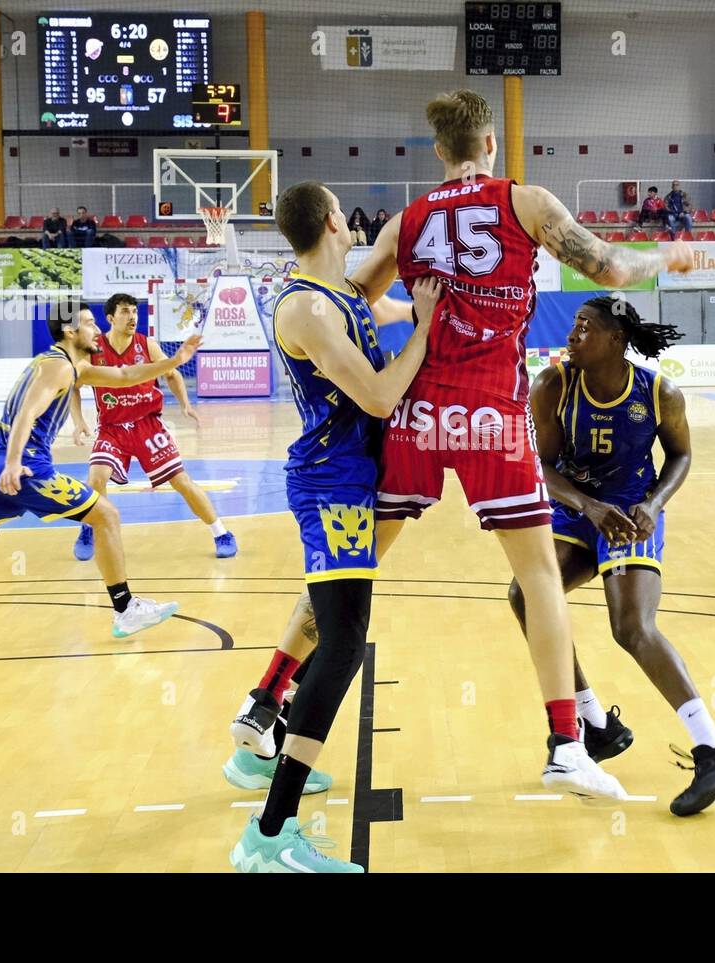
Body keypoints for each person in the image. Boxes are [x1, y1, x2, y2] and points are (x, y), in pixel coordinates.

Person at [233, 89, 697, 808]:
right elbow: (605, 267)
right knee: (540, 576)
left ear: (440, 151)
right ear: (489, 142)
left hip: (416, 414)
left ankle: (266, 697)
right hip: (490, 414)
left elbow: (349, 294)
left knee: (346, 572)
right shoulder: (527, 200)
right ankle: (567, 746)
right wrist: (662, 257)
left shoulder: (406, 221)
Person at [228, 182, 436, 874]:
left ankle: (261, 723)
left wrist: (439, 305)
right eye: (345, 213)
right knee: (345, 643)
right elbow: (378, 394)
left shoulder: (343, 292)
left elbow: (397, 305)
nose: (354, 222)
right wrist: (428, 333)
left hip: (355, 478)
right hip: (332, 482)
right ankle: (268, 833)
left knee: (332, 628)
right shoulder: (308, 306)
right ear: (330, 222)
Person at [509, 297, 715, 816]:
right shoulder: (552, 384)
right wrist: (587, 506)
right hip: (580, 510)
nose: (573, 336)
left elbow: (682, 454)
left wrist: (654, 503)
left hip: (630, 513)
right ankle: (596, 722)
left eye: (585, 328)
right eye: (573, 327)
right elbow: (540, 464)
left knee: (631, 627)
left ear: (617, 340)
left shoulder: (659, 391)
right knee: (526, 594)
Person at [0, 304, 200, 652]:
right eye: (89, 323)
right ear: (70, 332)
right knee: (106, 515)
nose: (96, 330)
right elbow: (26, 413)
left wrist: (174, 360)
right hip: (25, 465)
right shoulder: (60, 368)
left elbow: (124, 376)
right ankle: (125, 608)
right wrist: (15, 464)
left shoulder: (68, 365)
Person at [68, 293, 237, 561]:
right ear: (110, 318)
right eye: (125, 311)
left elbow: (172, 373)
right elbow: (73, 387)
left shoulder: (147, 345)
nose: (132, 316)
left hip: (148, 426)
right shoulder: (94, 348)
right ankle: (88, 527)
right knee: (96, 477)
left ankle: (221, 532)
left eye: (134, 311)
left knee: (181, 481)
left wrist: (185, 404)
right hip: (112, 427)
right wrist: (78, 422)